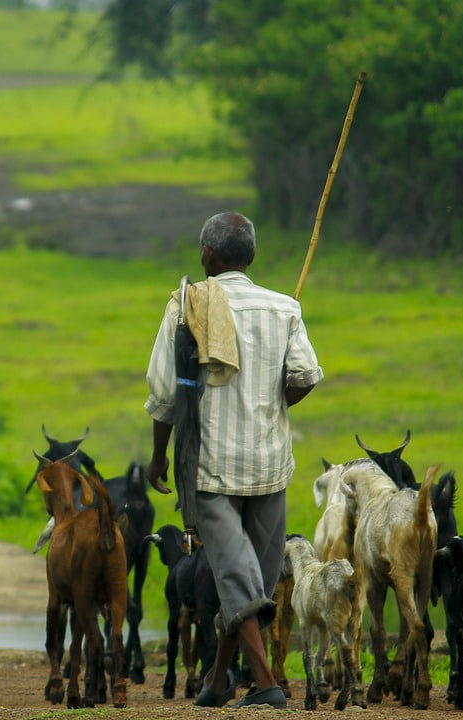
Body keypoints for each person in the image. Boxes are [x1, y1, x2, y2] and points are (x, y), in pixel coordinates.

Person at [143, 211, 322, 709]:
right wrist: (273, 402)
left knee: (241, 582)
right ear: (252, 257)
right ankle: (219, 680)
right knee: (250, 580)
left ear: (207, 255)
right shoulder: (284, 307)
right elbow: (305, 375)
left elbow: (163, 394)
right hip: (270, 466)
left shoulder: (187, 307)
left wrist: (158, 458)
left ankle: (266, 686)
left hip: (211, 470)